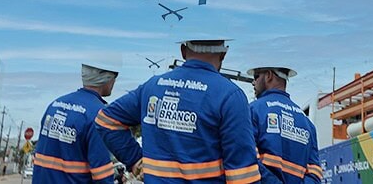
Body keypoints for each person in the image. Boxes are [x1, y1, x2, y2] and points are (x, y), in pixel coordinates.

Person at [95, 9, 262, 184]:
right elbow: (244, 175)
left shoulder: (152, 86)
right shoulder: (230, 96)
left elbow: (106, 121)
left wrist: (136, 161)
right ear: (223, 53)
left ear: (183, 50)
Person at [33, 61, 121, 184]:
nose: (114, 82)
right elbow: (102, 174)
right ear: (106, 79)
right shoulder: (100, 115)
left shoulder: (54, 106)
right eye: (114, 77)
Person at [247, 66, 321, 184]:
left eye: (256, 76)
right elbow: (315, 172)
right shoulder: (307, 123)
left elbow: (247, 156)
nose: (253, 82)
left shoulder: (253, 110)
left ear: (269, 75)